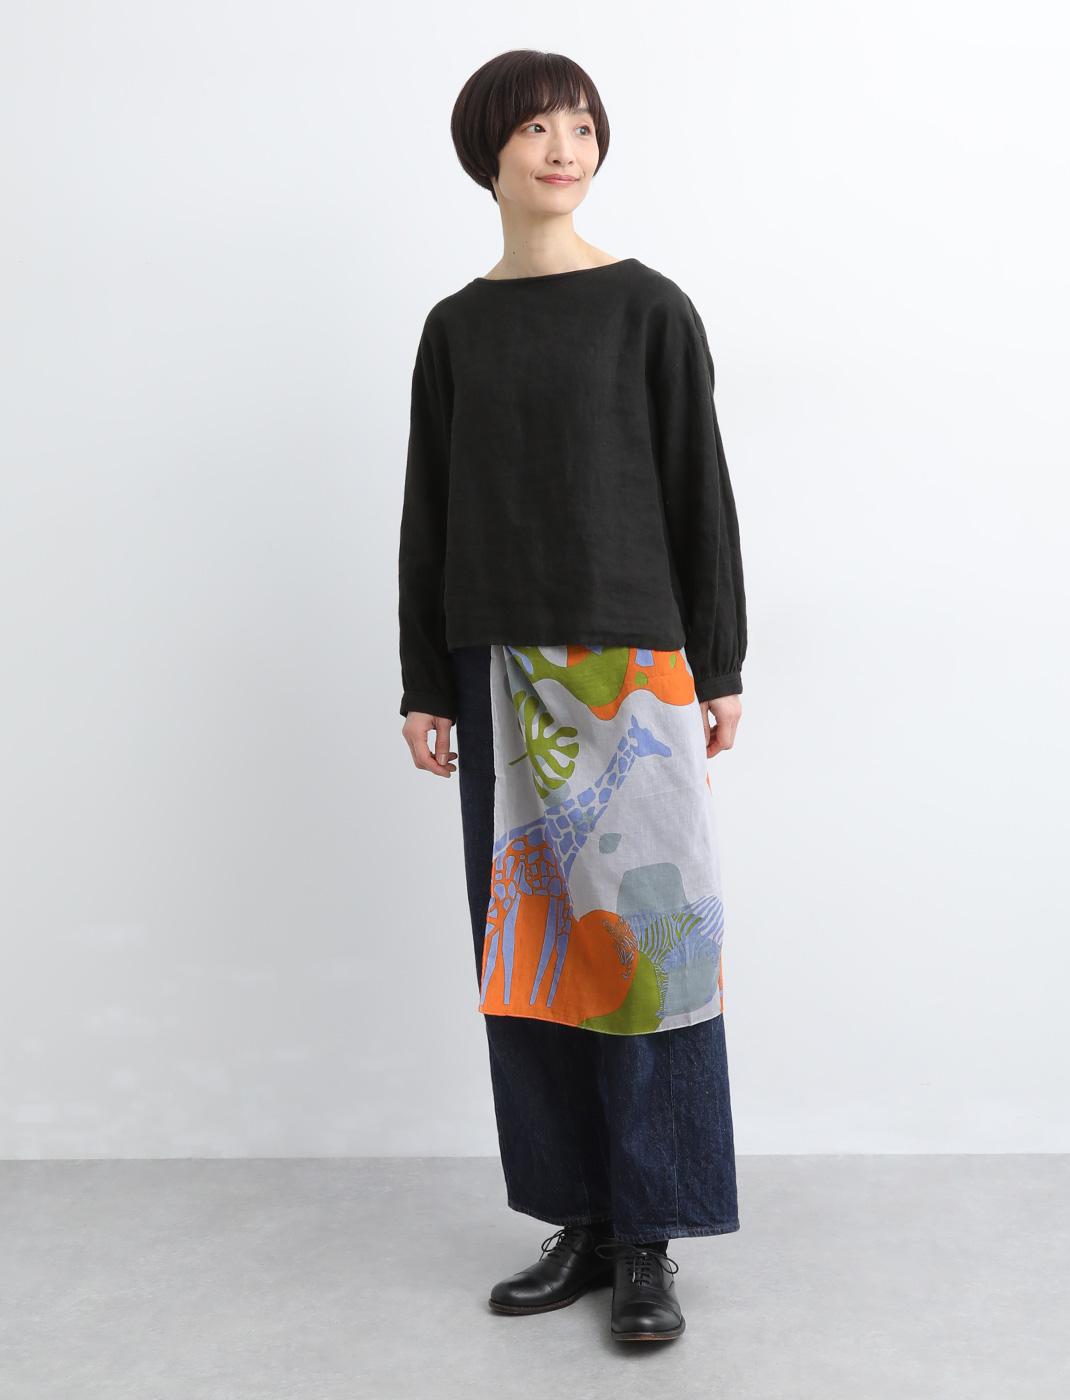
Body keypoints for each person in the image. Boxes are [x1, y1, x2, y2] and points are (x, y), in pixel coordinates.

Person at [397, 49, 748, 1344]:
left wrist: (718, 664)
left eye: (583, 126)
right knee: (531, 957)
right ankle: (582, 1219)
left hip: (632, 666)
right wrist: (422, 682)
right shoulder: (456, 328)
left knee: (648, 952)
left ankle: (651, 1232)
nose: (564, 147)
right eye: (538, 127)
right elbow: (427, 512)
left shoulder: (649, 308)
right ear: (487, 150)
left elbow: (699, 490)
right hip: (494, 668)